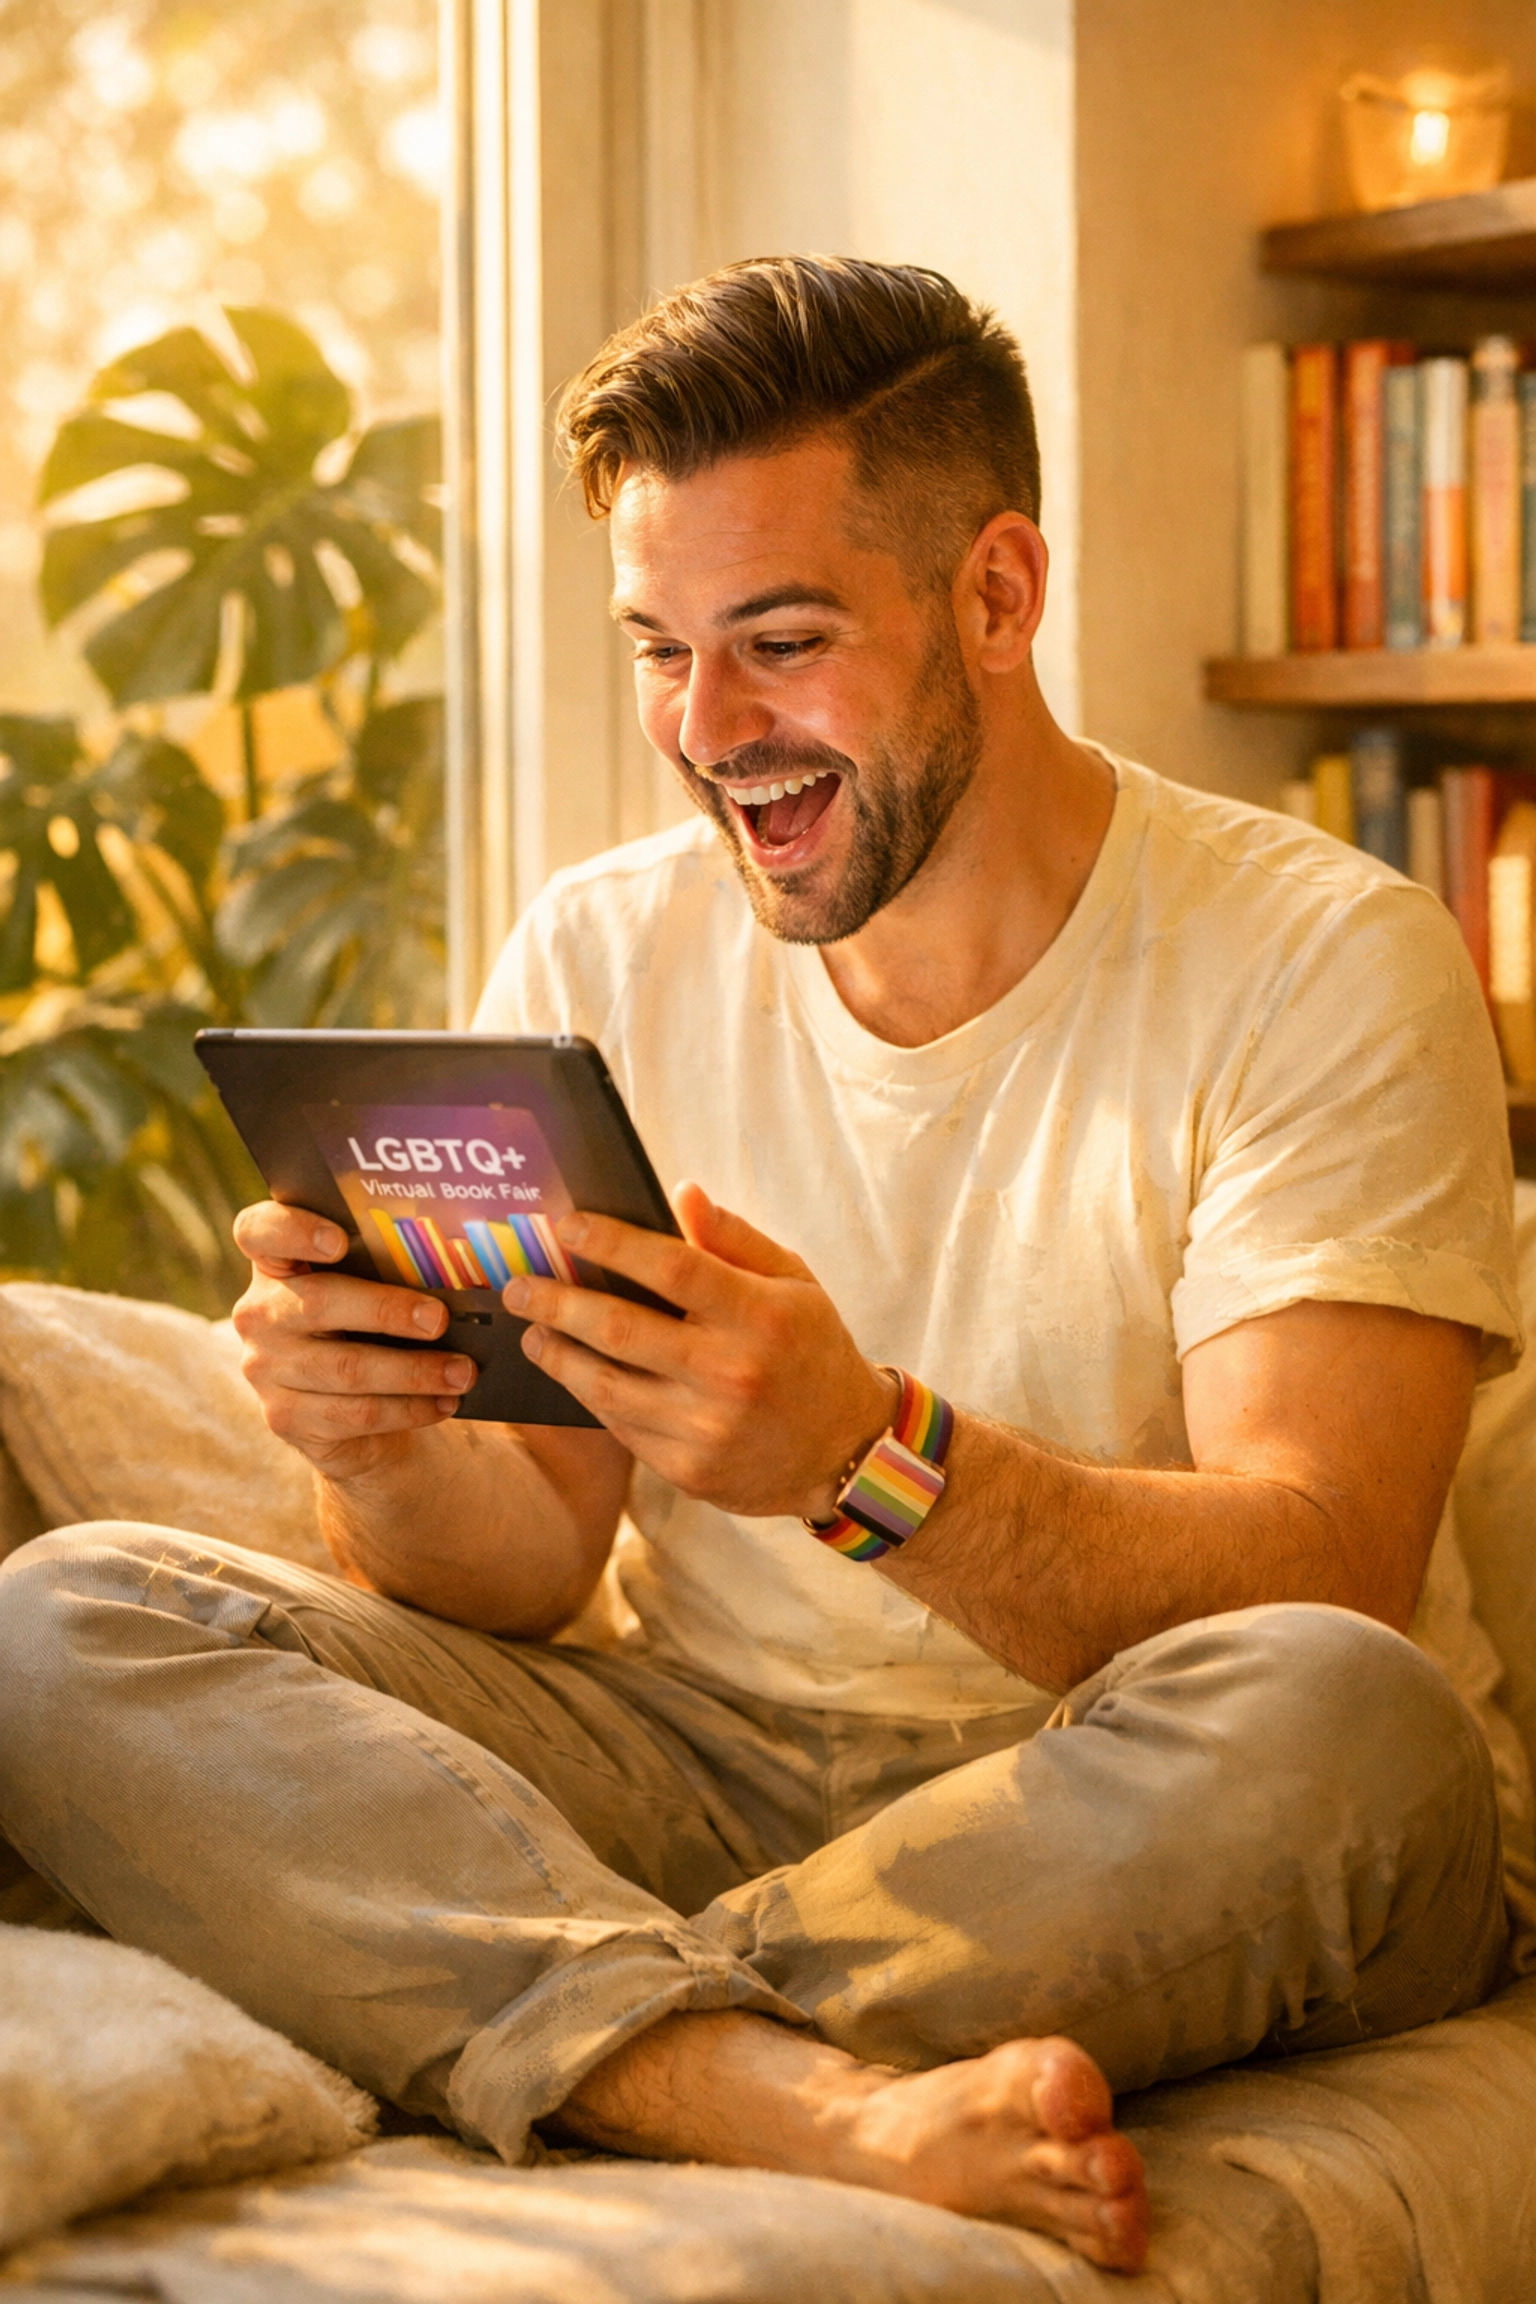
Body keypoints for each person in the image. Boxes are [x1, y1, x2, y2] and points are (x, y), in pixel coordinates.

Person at [0, 258, 1520, 2278]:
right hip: (705, 1755)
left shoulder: (1323, 959)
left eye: (781, 644)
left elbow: (1327, 1568)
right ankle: (780, 2096)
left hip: (1123, 1783)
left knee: (1347, 1713)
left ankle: (520, 2016)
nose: (710, 733)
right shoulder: (603, 947)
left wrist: (859, 1457)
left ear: (997, 596)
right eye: (660, 650)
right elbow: (527, 1566)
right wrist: (380, 1448)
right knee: (68, 1623)